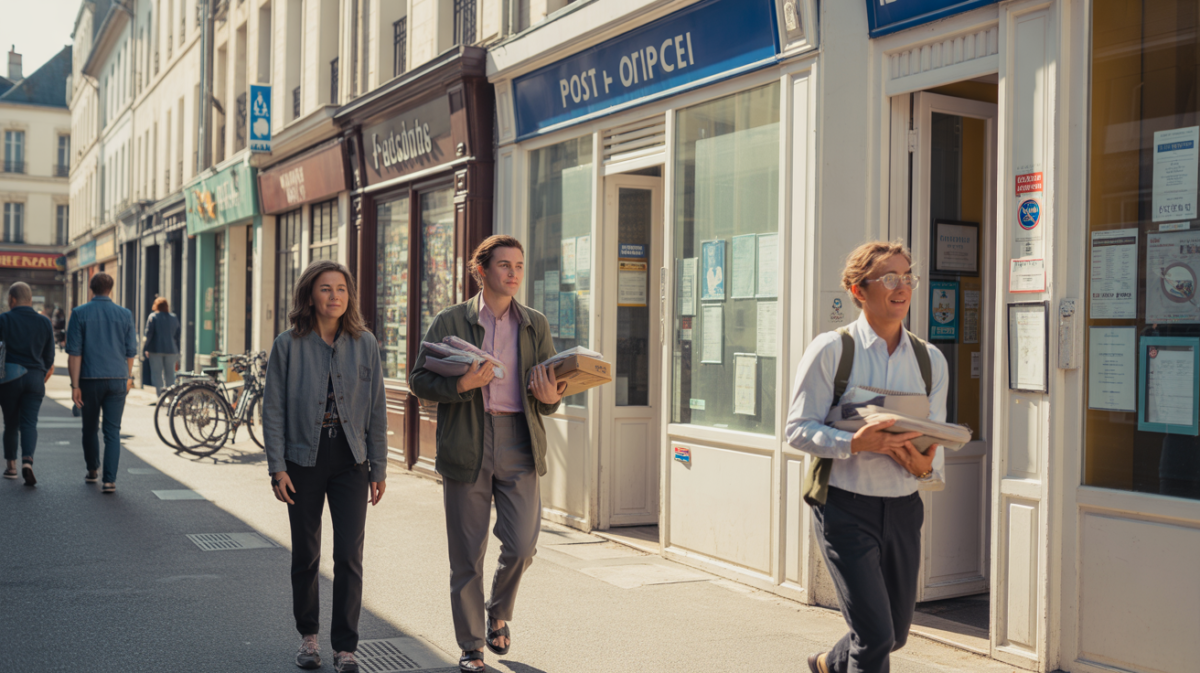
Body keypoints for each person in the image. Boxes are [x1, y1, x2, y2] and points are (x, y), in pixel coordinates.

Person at [785, 241, 948, 673]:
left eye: (907, 277)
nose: (902, 287)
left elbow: (935, 449)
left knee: (893, 633)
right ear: (859, 291)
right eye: (889, 278)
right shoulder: (832, 350)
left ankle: (829, 664)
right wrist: (856, 444)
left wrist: (924, 466)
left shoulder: (930, 360)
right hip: (844, 509)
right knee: (874, 637)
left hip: (903, 509)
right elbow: (797, 430)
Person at [409, 235, 566, 673]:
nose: (513, 273)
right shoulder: (450, 320)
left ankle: (498, 609)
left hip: (519, 439)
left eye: (518, 265)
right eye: (504, 265)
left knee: (522, 545)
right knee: (467, 552)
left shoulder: (534, 323)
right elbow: (419, 381)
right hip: (467, 442)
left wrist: (552, 395)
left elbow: (550, 395)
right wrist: (460, 386)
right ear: (482, 271)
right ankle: (472, 645)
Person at [263, 259, 388, 673]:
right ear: (310, 295)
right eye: (325, 289)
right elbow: (274, 409)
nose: (334, 296)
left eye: (341, 289)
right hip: (302, 461)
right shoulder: (288, 343)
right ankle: (309, 637)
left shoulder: (365, 342)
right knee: (306, 553)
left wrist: (379, 466)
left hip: (351, 461)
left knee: (350, 555)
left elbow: (376, 410)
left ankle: (346, 647)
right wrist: (277, 467)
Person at [66, 272, 138, 494]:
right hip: (117, 379)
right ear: (111, 290)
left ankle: (92, 470)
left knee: (89, 428)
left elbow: (74, 354)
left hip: (89, 380)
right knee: (112, 432)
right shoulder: (125, 314)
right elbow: (130, 352)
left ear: (91, 289)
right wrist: (127, 377)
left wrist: (75, 385)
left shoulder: (79, 314)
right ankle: (110, 480)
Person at [0, 283, 55, 486]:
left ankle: (11, 466)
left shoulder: (4, 319)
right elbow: (49, 356)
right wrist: (41, 373)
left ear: (11, 300)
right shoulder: (44, 322)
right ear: (30, 300)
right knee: (30, 423)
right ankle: (28, 462)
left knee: (11, 423)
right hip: (34, 377)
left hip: (10, 378)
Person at [144, 297, 181, 398]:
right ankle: (170, 397)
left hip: (155, 350)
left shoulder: (153, 317)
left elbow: (148, 334)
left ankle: (161, 397)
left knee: (157, 375)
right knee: (170, 375)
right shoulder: (173, 317)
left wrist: (145, 348)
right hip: (171, 350)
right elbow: (178, 335)